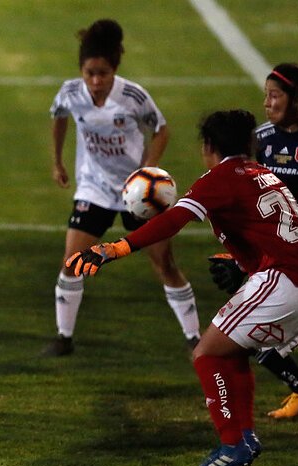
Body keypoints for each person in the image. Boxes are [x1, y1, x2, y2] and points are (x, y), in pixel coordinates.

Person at [66, 109, 298, 466]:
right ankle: (242, 437)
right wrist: (241, 265)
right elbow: (271, 233)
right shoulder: (265, 174)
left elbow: (174, 219)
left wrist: (117, 248)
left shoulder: (220, 177)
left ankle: (234, 441)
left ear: (208, 146)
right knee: (235, 351)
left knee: (206, 352)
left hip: (288, 281)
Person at [44, 19, 200, 356]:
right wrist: (57, 161)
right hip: (94, 188)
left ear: (115, 69)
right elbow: (59, 116)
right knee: (72, 263)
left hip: (139, 193)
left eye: (103, 73)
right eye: (90, 73)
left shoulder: (132, 96)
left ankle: (194, 337)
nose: (96, 81)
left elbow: (161, 129)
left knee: (165, 264)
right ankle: (63, 338)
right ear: (81, 71)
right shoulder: (71, 92)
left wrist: (149, 169)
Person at [209, 62, 298, 419]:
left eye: (274, 96)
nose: (267, 103)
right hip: (280, 258)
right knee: (278, 334)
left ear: (295, 98)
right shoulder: (262, 140)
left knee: (261, 336)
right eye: (266, 95)